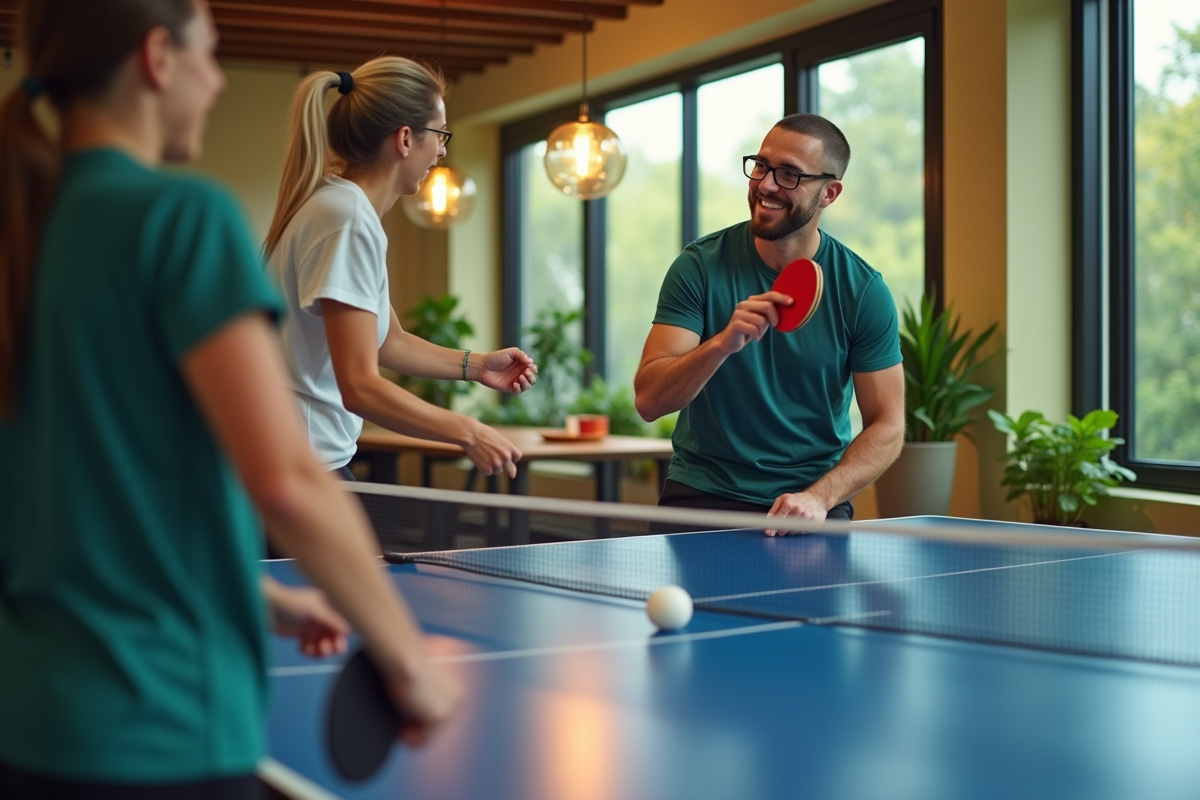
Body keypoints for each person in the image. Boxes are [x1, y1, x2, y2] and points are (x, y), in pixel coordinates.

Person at [0, 1, 458, 797]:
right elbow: (286, 478)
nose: (214, 84)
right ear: (156, 58)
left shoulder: (21, 232)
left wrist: (263, 597)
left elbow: (81, 504)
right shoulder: (179, 218)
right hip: (165, 721)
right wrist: (409, 660)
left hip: (29, 714)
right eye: (210, 56)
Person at [264, 57, 535, 482]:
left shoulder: (338, 208)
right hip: (298, 470)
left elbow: (388, 342)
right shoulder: (345, 220)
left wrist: (478, 365)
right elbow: (359, 385)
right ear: (406, 139)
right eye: (440, 134)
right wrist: (467, 430)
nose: (443, 150)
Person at [634, 114, 905, 532]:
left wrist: (820, 497)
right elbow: (649, 401)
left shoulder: (863, 291)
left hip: (811, 503)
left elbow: (888, 425)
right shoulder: (699, 267)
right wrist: (722, 343)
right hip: (701, 496)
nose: (766, 184)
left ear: (829, 192)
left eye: (790, 174)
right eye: (760, 165)